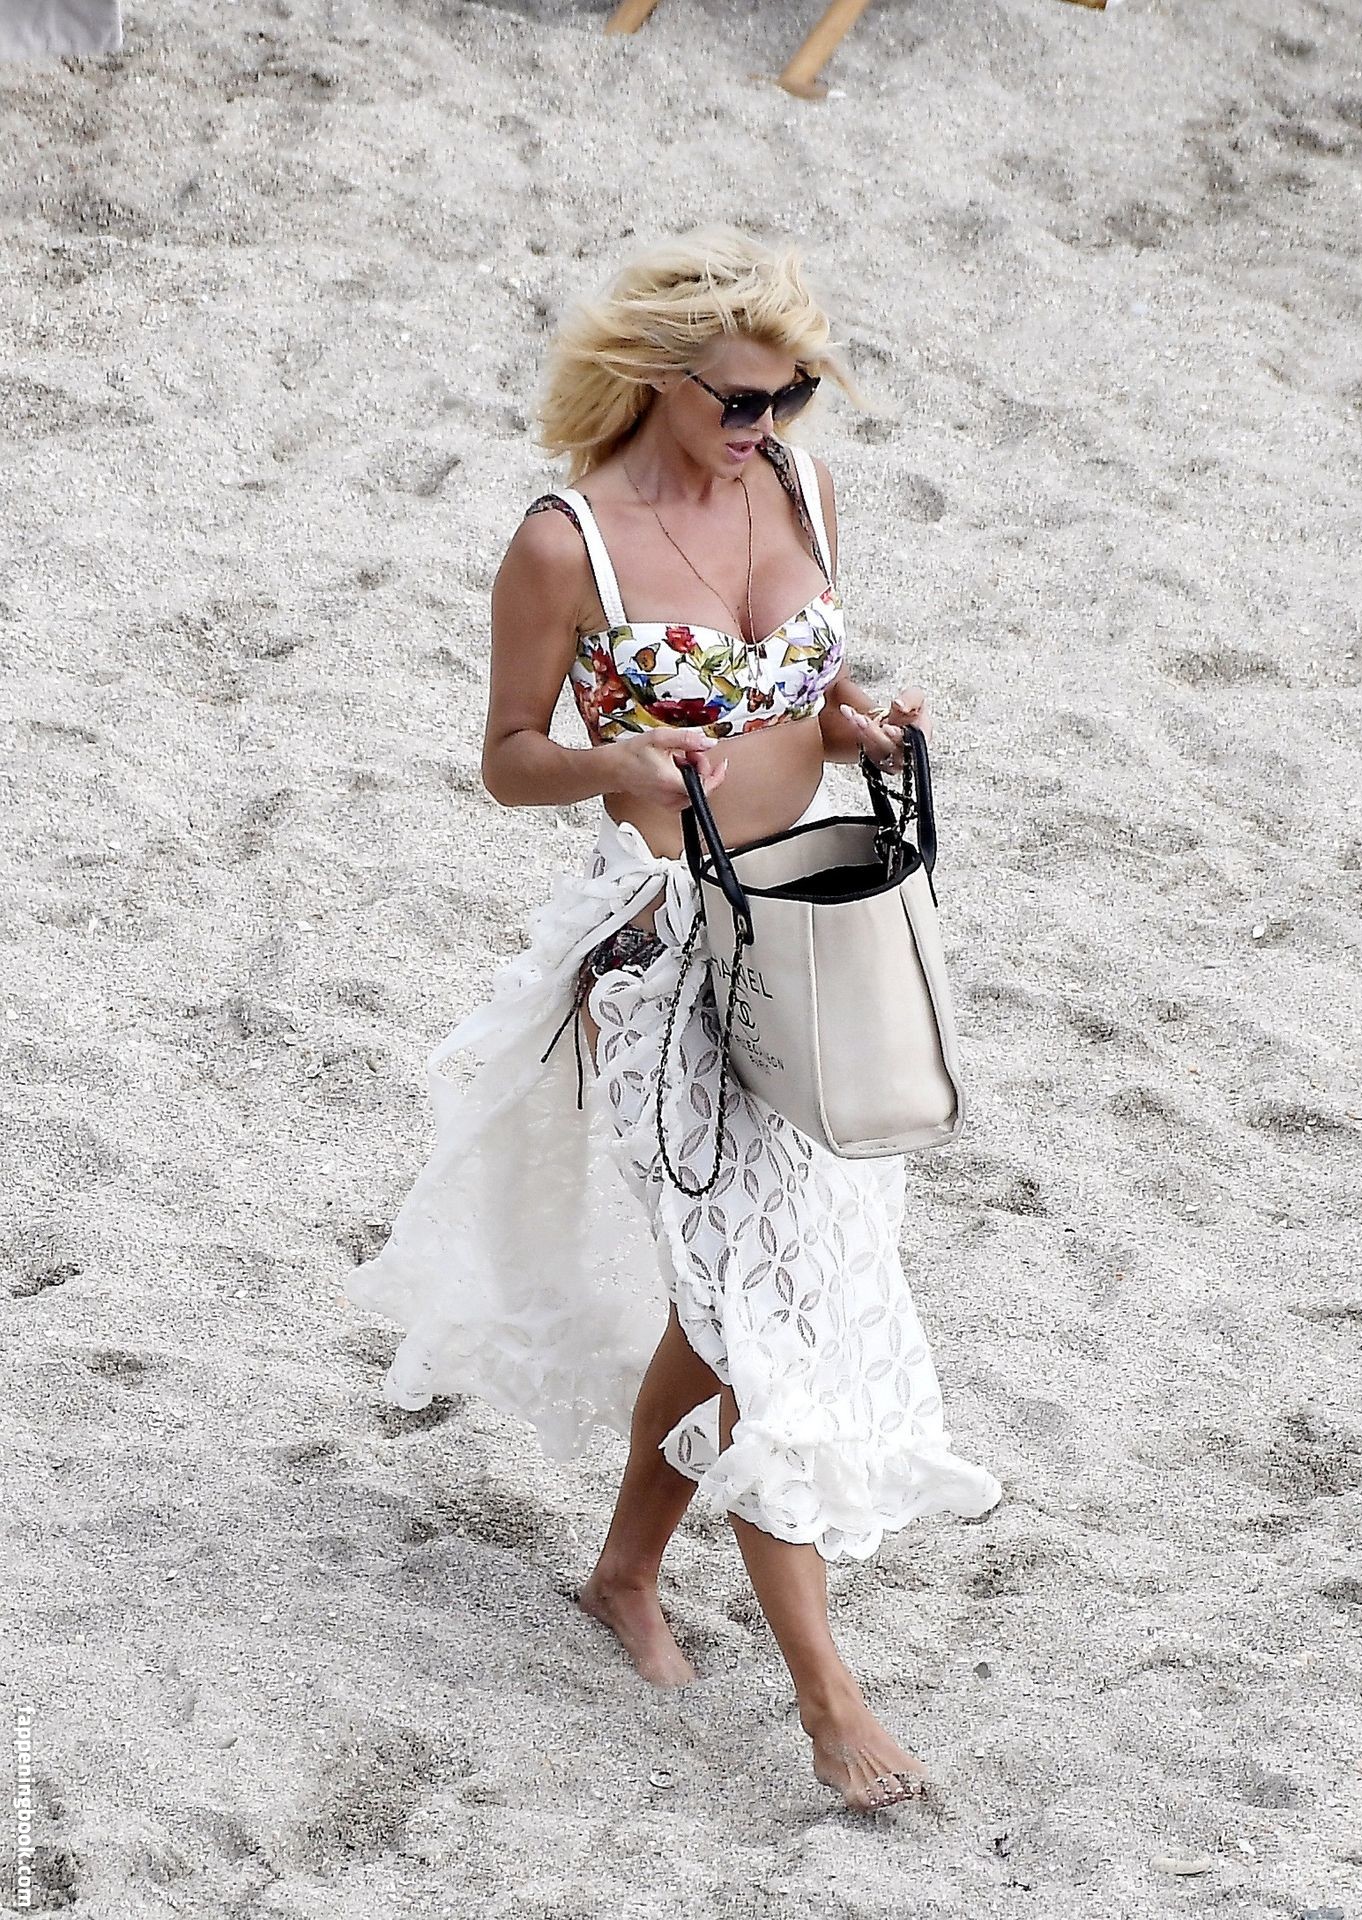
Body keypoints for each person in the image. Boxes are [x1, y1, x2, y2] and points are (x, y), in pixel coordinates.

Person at [344, 227, 1003, 1814]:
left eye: (794, 394)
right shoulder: (563, 542)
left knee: (730, 1304)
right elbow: (506, 755)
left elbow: (799, 707)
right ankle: (828, 1698)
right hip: (661, 950)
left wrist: (858, 727)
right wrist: (615, 762)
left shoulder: (801, 490)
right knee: (758, 1309)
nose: (770, 424)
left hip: (816, 940)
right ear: (654, 379)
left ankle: (625, 1574)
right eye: (743, 398)